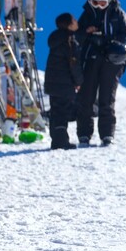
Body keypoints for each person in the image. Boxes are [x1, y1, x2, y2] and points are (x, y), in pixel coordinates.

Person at [75, 0, 126, 147]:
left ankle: (107, 134)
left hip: (111, 60)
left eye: (102, 3)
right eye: (95, 2)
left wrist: (109, 43)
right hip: (91, 58)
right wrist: (87, 34)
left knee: (107, 97)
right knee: (87, 96)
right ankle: (84, 134)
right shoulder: (87, 13)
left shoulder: (118, 14)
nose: (99, 6)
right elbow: (77, 35)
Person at [44, 13, 83, 150]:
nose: (77, 22)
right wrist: (79, 81)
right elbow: (74, 65)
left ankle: (56, 139)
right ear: (69, 24)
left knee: (55, 111)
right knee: (62, 112)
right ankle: (61, 142)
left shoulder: (55, 39)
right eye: (74, 20)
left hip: (52, 82)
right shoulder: (70, 41)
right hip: (64, 83)